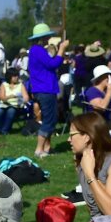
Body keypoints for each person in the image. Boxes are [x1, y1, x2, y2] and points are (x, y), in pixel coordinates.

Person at [28, 24, 69, 157]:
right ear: (41, 38)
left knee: (50, 118)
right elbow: (53, 64)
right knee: (49, 120)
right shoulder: (38, 50)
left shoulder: (36, 50)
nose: (48, 39)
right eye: (46, 37)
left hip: (44, 88)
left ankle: (47, 147)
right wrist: (61, 50)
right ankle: (39, 149)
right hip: (45, 89)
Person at [0, 68, 29, 135]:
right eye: (14, 76)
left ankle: (5, 130)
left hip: (15, 104)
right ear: (9, 76)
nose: (17, 77)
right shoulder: (4, 84)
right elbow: (2, 97)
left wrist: (24, 100)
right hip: (4, 103)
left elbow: (26, 97)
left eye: (17, 76)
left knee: (11, 112)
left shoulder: (20, 85)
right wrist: (11, 96)